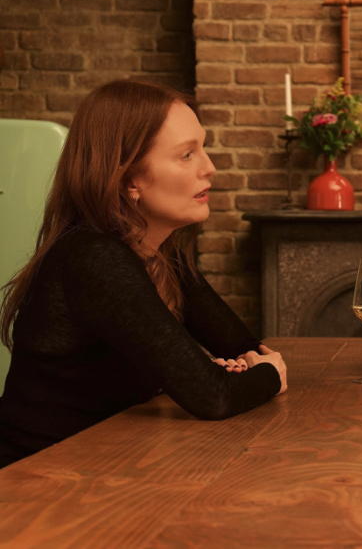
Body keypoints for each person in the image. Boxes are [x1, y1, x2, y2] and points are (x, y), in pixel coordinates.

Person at [0, 80, 287, 468]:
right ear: (128, 178)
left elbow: (242, 348)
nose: (210, 167)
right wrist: (267, 375)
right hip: (31, 478)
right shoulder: (93, 257)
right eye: (186, 155)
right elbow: (215, 396)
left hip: (108, 464)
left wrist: (238, 373)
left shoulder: (161, 254)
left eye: (203, 148)